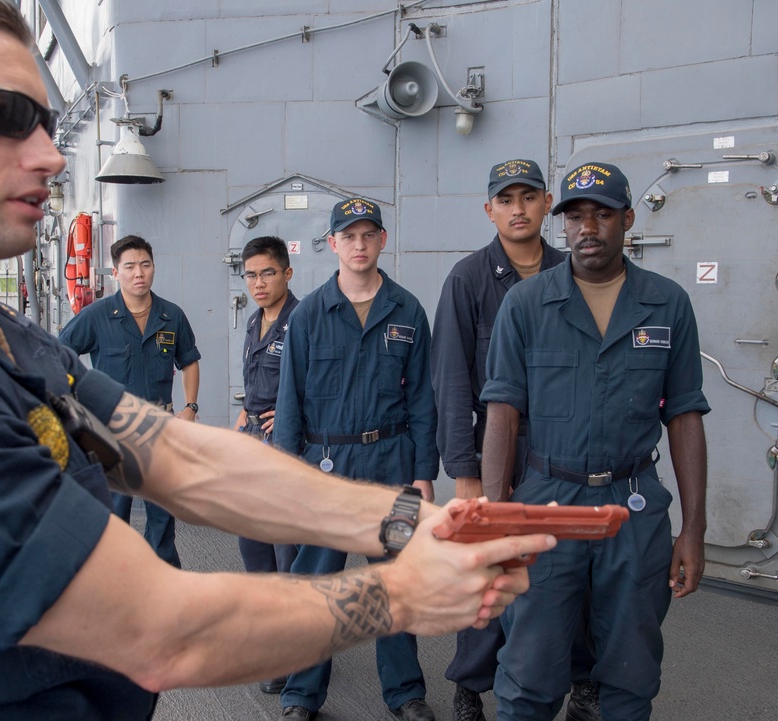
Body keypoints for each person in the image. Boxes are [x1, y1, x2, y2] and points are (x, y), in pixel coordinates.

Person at [0, 2, 556, 720]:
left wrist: (398, 519)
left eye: (46, 120)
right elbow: (159, 629)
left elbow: (172, 453)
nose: (49, 153)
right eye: (4, 115)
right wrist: (402, 592)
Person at [480, 162, 709, 721]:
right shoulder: (527, 305)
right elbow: (502, 414)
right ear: (562, 225)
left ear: (627, 220)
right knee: (529, 675)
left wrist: (694, 530)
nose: (588, 227)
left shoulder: (668, 304)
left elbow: (684, 416)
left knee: (630, 675)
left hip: (634, 509)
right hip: (545, 505)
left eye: (602, 214)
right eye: (576, 216)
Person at [430, 160, 600, 721]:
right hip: (497, 451)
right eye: (506, 200)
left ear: (548, 203)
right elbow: (452, 380)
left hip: (564, 454)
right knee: (495, 575)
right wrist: (466, 471)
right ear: (490, 211)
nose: (519, 209)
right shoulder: (469, 278)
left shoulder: (576, 272)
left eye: (529, 197)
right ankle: (472, 684)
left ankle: (582, 681)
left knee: (569, 572)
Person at [273, 198, 439, 721]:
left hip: (392, 467)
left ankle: (406, 693)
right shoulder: (307, 315)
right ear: (333, 244)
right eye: (350, 236)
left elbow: (422, 400)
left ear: (382, 241)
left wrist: (423, 474)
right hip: (326, 466)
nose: (360, 245)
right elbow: (288, 401)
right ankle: (301, 695)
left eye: (369, 235)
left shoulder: (407, 310)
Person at [60, 234, 200, 568]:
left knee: (163, 513)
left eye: (145, 265)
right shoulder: (97, 315)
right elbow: (60, 351)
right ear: (116, 272)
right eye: (130, 266)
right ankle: (114, 581)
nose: (139, 273)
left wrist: (190, 408)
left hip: (160, 427)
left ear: (153, 268)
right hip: (112, 428)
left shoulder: (171, 315)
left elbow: (189, 361)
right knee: (113, 511)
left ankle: (164, 579)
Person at [234, 235, 300, 694]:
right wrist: (242, 420)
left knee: (285, 550)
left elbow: (322, 383)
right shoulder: (253, 321)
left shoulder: (304, 320)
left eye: (268, 273)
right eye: (251, 274)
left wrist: (292, 413)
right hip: (253, 439)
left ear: (287, 273)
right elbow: (252, 382)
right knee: (252, 542)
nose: (258, 283)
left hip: (285, 445)